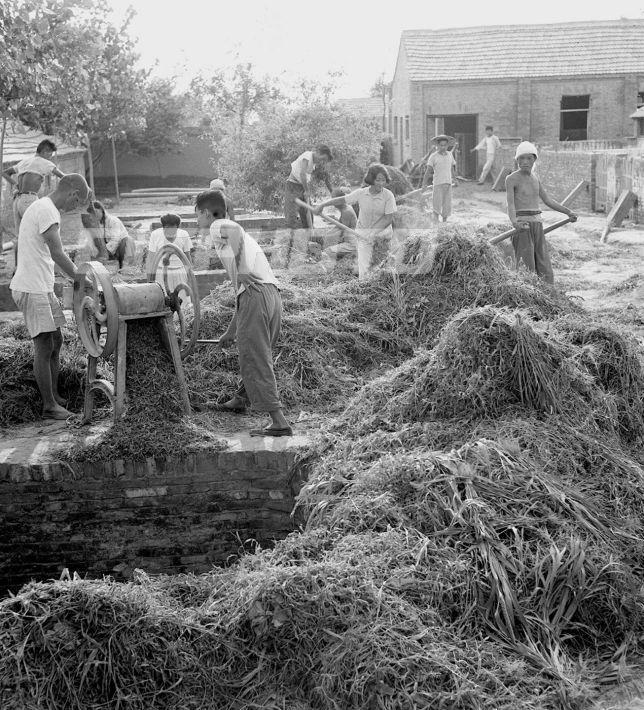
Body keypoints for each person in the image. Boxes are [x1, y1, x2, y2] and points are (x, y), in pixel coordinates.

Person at [195, 189, 292, 437]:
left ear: (206, 212)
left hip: (256, 295)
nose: (197, 220)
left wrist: (242, 267)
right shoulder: (232, 232)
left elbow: (235, 236)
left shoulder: (219, 225)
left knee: (255, 358)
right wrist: (231, 330)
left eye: (197, 214)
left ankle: (279, 421)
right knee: (257, 352)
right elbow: (243, 291)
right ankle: (241, 399)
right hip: (270, 294)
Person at [9, 173, 91, 420]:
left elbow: (48, 255)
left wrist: (69, 279)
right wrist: (81, 279)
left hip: (41, 286)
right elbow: (57, 253)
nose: (74, 208)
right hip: (31, 287)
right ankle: (49, 406)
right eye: (77, 203)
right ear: (73, 193)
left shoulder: (45, 209)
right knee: (44, 344)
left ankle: (55, 396)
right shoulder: (46, 210)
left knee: (55, 341)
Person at [505, 141, 577, 284]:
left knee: (543, 264)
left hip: (537, 225)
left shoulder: (535, 178)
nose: (525, 162)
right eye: (521, 158)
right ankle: (526, 295)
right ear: (517, 160)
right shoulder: (511, 179)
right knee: (526, 265)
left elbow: (548, 200)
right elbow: (511, 203)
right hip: (522, 226)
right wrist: (515, 223)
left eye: (529, 158)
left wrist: (568, 212)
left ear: (534, 160)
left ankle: (547, 293)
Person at [314, 163, 396, 279]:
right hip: (363, 235)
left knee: (382, 270)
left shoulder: (388, 196)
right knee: (364, 270)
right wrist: (323, 204)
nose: (381, 183)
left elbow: (388, 218)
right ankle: (364, 288)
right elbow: (342, 199)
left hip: (382, 237)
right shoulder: (362, 193)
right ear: (371, 180)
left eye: (383, 180)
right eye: (378, 180)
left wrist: (372, 233)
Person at [2, 140, 65, 242]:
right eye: (50, 154)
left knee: (20, 237)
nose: (50, 157)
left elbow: (4, 173)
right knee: (39, 232)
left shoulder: (24, 161)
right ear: (45, 151)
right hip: (29, 200)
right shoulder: (44, 162)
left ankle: (20, 258)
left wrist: (15, 184)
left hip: (18, 201)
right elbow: (64, 177)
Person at [147, 213, 193, 306]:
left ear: (177, 227)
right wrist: (150, 279)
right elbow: (151, 258)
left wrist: (190, 275)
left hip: (179, 272)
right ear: (163, 227)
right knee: (163, 302)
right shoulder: (155, 235)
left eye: (173, 230)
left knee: (182, 303)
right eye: (168, 229)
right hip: (161, 273)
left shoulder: (184, 234)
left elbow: (187, 257)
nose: (170, 233)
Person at [284, 145, 333, 232]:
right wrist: (307, 190)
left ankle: (309, 238)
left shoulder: (313, 163)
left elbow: (306, 178)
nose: (321, 162)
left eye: (324, 161)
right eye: (322, 159)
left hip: (301, 187)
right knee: (291, 217)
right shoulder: (307, 156)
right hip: (292, 187)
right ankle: (291, 242)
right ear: (318, 152)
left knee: (308, 214)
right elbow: (302, 174)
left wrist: (306, 190)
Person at [84, 201, 136, 269]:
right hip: (109, 249)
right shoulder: (95, 224)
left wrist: (104, 253)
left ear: (101, 210)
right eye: (92, 214)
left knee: (127, 240)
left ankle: (124, 266)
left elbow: (115, 240)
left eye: (96, 212)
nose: (94, 215)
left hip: (121, 247)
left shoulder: (113, 221)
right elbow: (90, 240)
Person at [319, 187, 358, 271]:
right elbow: (338, 226)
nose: (333, 202)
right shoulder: (344, 209)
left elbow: (340, 231)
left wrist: (326, 238)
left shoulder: (346, 211)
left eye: (334, 199)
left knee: (326, 251)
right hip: (347, 240)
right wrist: (326, 235)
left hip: (352, 244)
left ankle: (329, 269)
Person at [422, 135, 458, 222]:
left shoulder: (450, 155)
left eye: (445, 145)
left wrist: (455, 179)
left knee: (447, 204)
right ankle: (435, 223)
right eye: (441, 145)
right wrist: (424, 184)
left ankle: (444, 222)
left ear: (447, 145)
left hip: (448, 183)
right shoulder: (433, 156)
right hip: (438, 183)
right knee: (437, 205)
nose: (443, 147)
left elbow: (451, 169)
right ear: (437, 146)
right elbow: (428, 171)